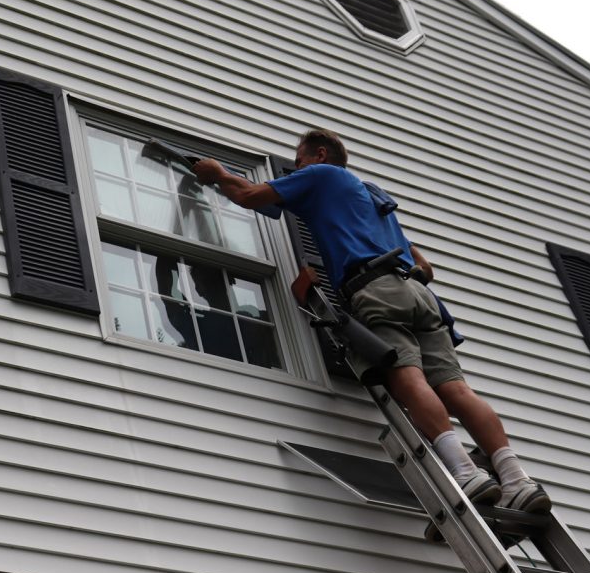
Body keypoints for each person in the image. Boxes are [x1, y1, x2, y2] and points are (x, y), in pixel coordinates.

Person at [192, 129, 551, 513]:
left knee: (406, 376)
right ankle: (516, 480)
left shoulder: (321, 175)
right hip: (419, 295)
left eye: (297, 162)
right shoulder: (372, 197)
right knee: (457, 390)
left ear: (319, 155)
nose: (295, 171)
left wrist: (217, 174)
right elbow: (424, 267)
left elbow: (250, 196)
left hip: (376, 289)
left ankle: (465, 473)